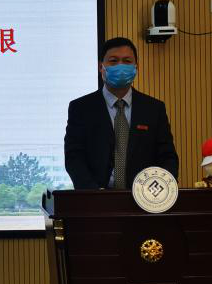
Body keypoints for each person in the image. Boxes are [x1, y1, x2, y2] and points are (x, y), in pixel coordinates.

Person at [64, 36, 179, 189]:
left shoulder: (154, 109)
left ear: (136, 67)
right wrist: (93, 193)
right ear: (101, 67)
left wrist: (157, 191)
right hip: (96, 197)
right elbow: (74, 157)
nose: (120, 66)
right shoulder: (81, 108)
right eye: (113, 61)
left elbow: (167, 157)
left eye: (127, 61)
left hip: (144, 196)